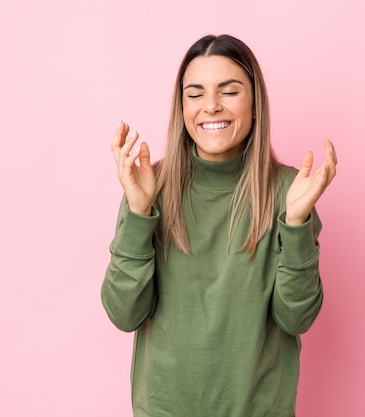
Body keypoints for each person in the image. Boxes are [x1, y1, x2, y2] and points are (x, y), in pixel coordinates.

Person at [101, 34, 337, 417]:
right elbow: (123, 313)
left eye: (229, 91)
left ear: (255, 103)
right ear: (182, 108)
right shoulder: (149, 186)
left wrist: (295, 224)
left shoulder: (290, 192)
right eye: (195, 94)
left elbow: (297, 317)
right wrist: (140, 212)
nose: (210, 106)